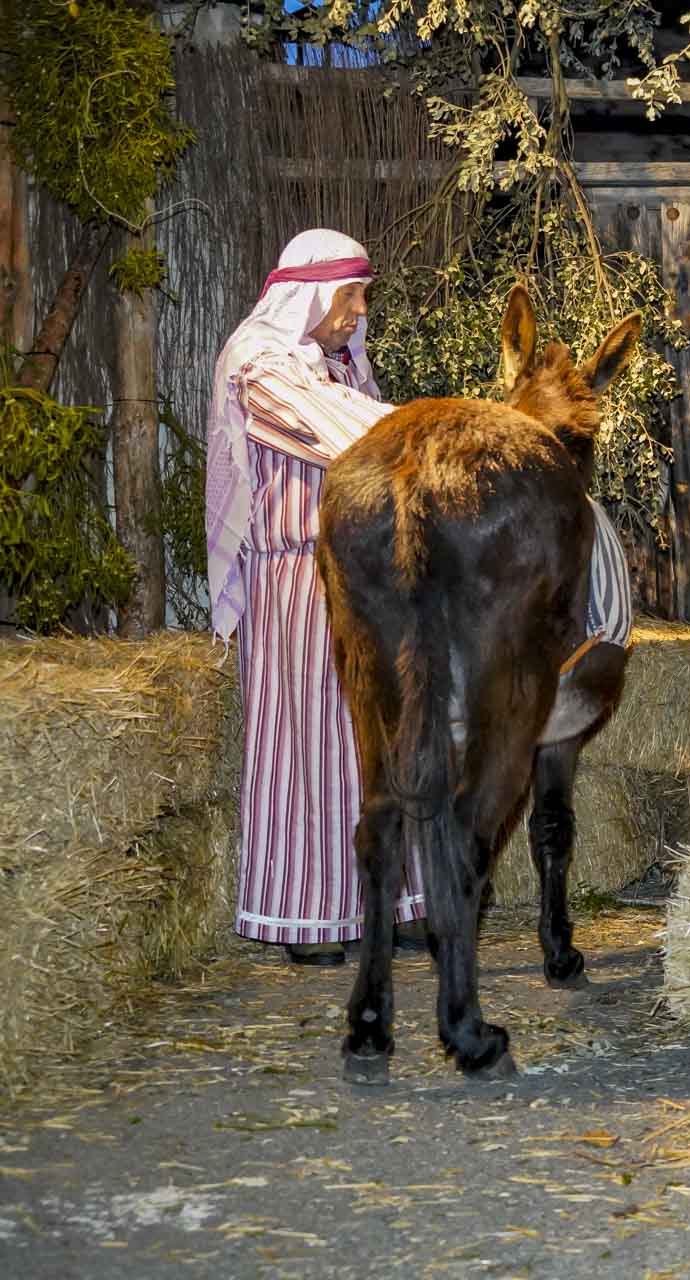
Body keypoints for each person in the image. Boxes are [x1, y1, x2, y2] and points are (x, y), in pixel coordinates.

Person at [206, 229, 429, 965]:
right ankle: (312, 916)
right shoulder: (259, 364)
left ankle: (391, 903)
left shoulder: (338, 370)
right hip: (299, 577)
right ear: (310, 295)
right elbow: (340, 435)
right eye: (351, 295)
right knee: (312, 741)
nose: (360, 312)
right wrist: (438, 430)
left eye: (362, 297)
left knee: (380, 734)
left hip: (362, 570)